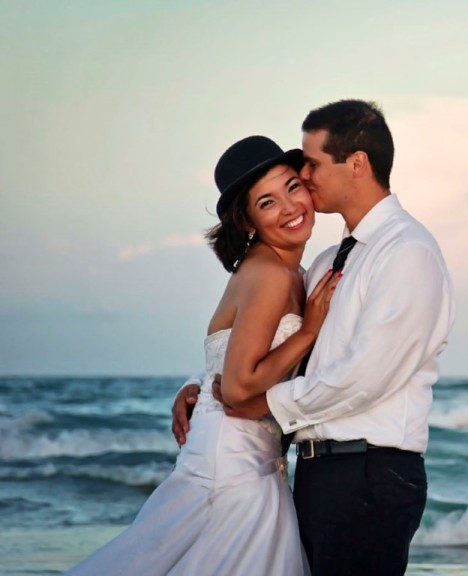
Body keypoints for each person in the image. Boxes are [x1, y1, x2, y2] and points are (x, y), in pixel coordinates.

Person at [172, 100, 455, 575]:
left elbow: (365, 378)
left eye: (311, 163)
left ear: (357, 164)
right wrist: (205, 387)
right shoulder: (324, 263)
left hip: (370, 473)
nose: (304, 176)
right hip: (314, 473)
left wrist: (254, 403)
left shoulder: (407, 253)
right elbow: (278, 348)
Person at [71, 136, 341, 575]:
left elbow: (228, 362)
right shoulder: (270, 273)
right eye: (268, 202)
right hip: (233, 464)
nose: (290, 207)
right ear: (249, 222)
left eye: (293, 187)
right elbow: (236, 388)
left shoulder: (288, 272)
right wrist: (310, 330)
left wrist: (193, 385)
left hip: (249, 455)